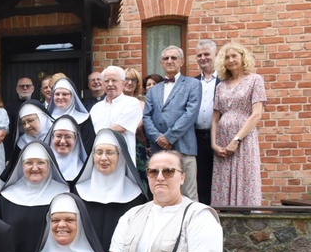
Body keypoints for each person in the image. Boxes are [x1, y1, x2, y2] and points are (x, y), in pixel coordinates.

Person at [143, 45, 202, 201]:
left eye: (174, 58)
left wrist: (169, 137)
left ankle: (189, 225)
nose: (169, 61)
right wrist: (158, 138)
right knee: (161, 192)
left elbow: (191, 114)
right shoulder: (153, 90)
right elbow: (147, 117)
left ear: (181, 62)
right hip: (159, 150)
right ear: (161, 63)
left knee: (188, 194)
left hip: (184, 146)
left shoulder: (193, 84)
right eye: (166, 58)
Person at [73, 129, 148, 252]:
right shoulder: (79, 192)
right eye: (98, 152)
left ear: (121, 156)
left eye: (109, 152)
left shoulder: (136, 196)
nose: (103, 158)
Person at [211, 43, 266, 206]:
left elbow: (256, 114)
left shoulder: (255, 80)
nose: (230, 60)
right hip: (222, 140)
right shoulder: (221, 86)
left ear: (243, 57)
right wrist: (213, 144)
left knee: (245, 176)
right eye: (227, 57)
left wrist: (236, 140)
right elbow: (214, 118)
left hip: (243, 139)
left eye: (234, 56)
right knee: (223, 180)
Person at [90, 65, 142, 160]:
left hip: (123, 158)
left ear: (122, 83)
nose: (110, 84)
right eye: (106, 81)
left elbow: (120, 128)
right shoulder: (95, 108)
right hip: (99, 159)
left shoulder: (132, 103)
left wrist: (98, 135)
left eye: (114, 80)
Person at [194, 40, 220, 205]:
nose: (203, 58)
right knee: (201, 180)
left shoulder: (226, 80)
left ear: (215, 55)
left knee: (221, 178)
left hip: (220, 136)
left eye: (206, 54)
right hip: (196, 137)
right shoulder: (192, 82)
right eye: (199, 55)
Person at [1, 100, 54, 181]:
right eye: (23, 123)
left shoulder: (57, 137)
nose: (27, 126)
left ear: (42, 117)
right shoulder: (22, 143)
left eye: (30, 120)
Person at [48, 77, 95, 152]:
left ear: (72, 96)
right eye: (57, 94)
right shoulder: (46, 118)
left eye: (65, 94)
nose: (60, 97)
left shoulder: (84, 120)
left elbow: (88, 148)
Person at [45, 115, 88, 185]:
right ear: (52, 138)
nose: (62, 141)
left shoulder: (84, 173)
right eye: (58, 136)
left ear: (76, 140)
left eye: (68, 136)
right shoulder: (40, 169)